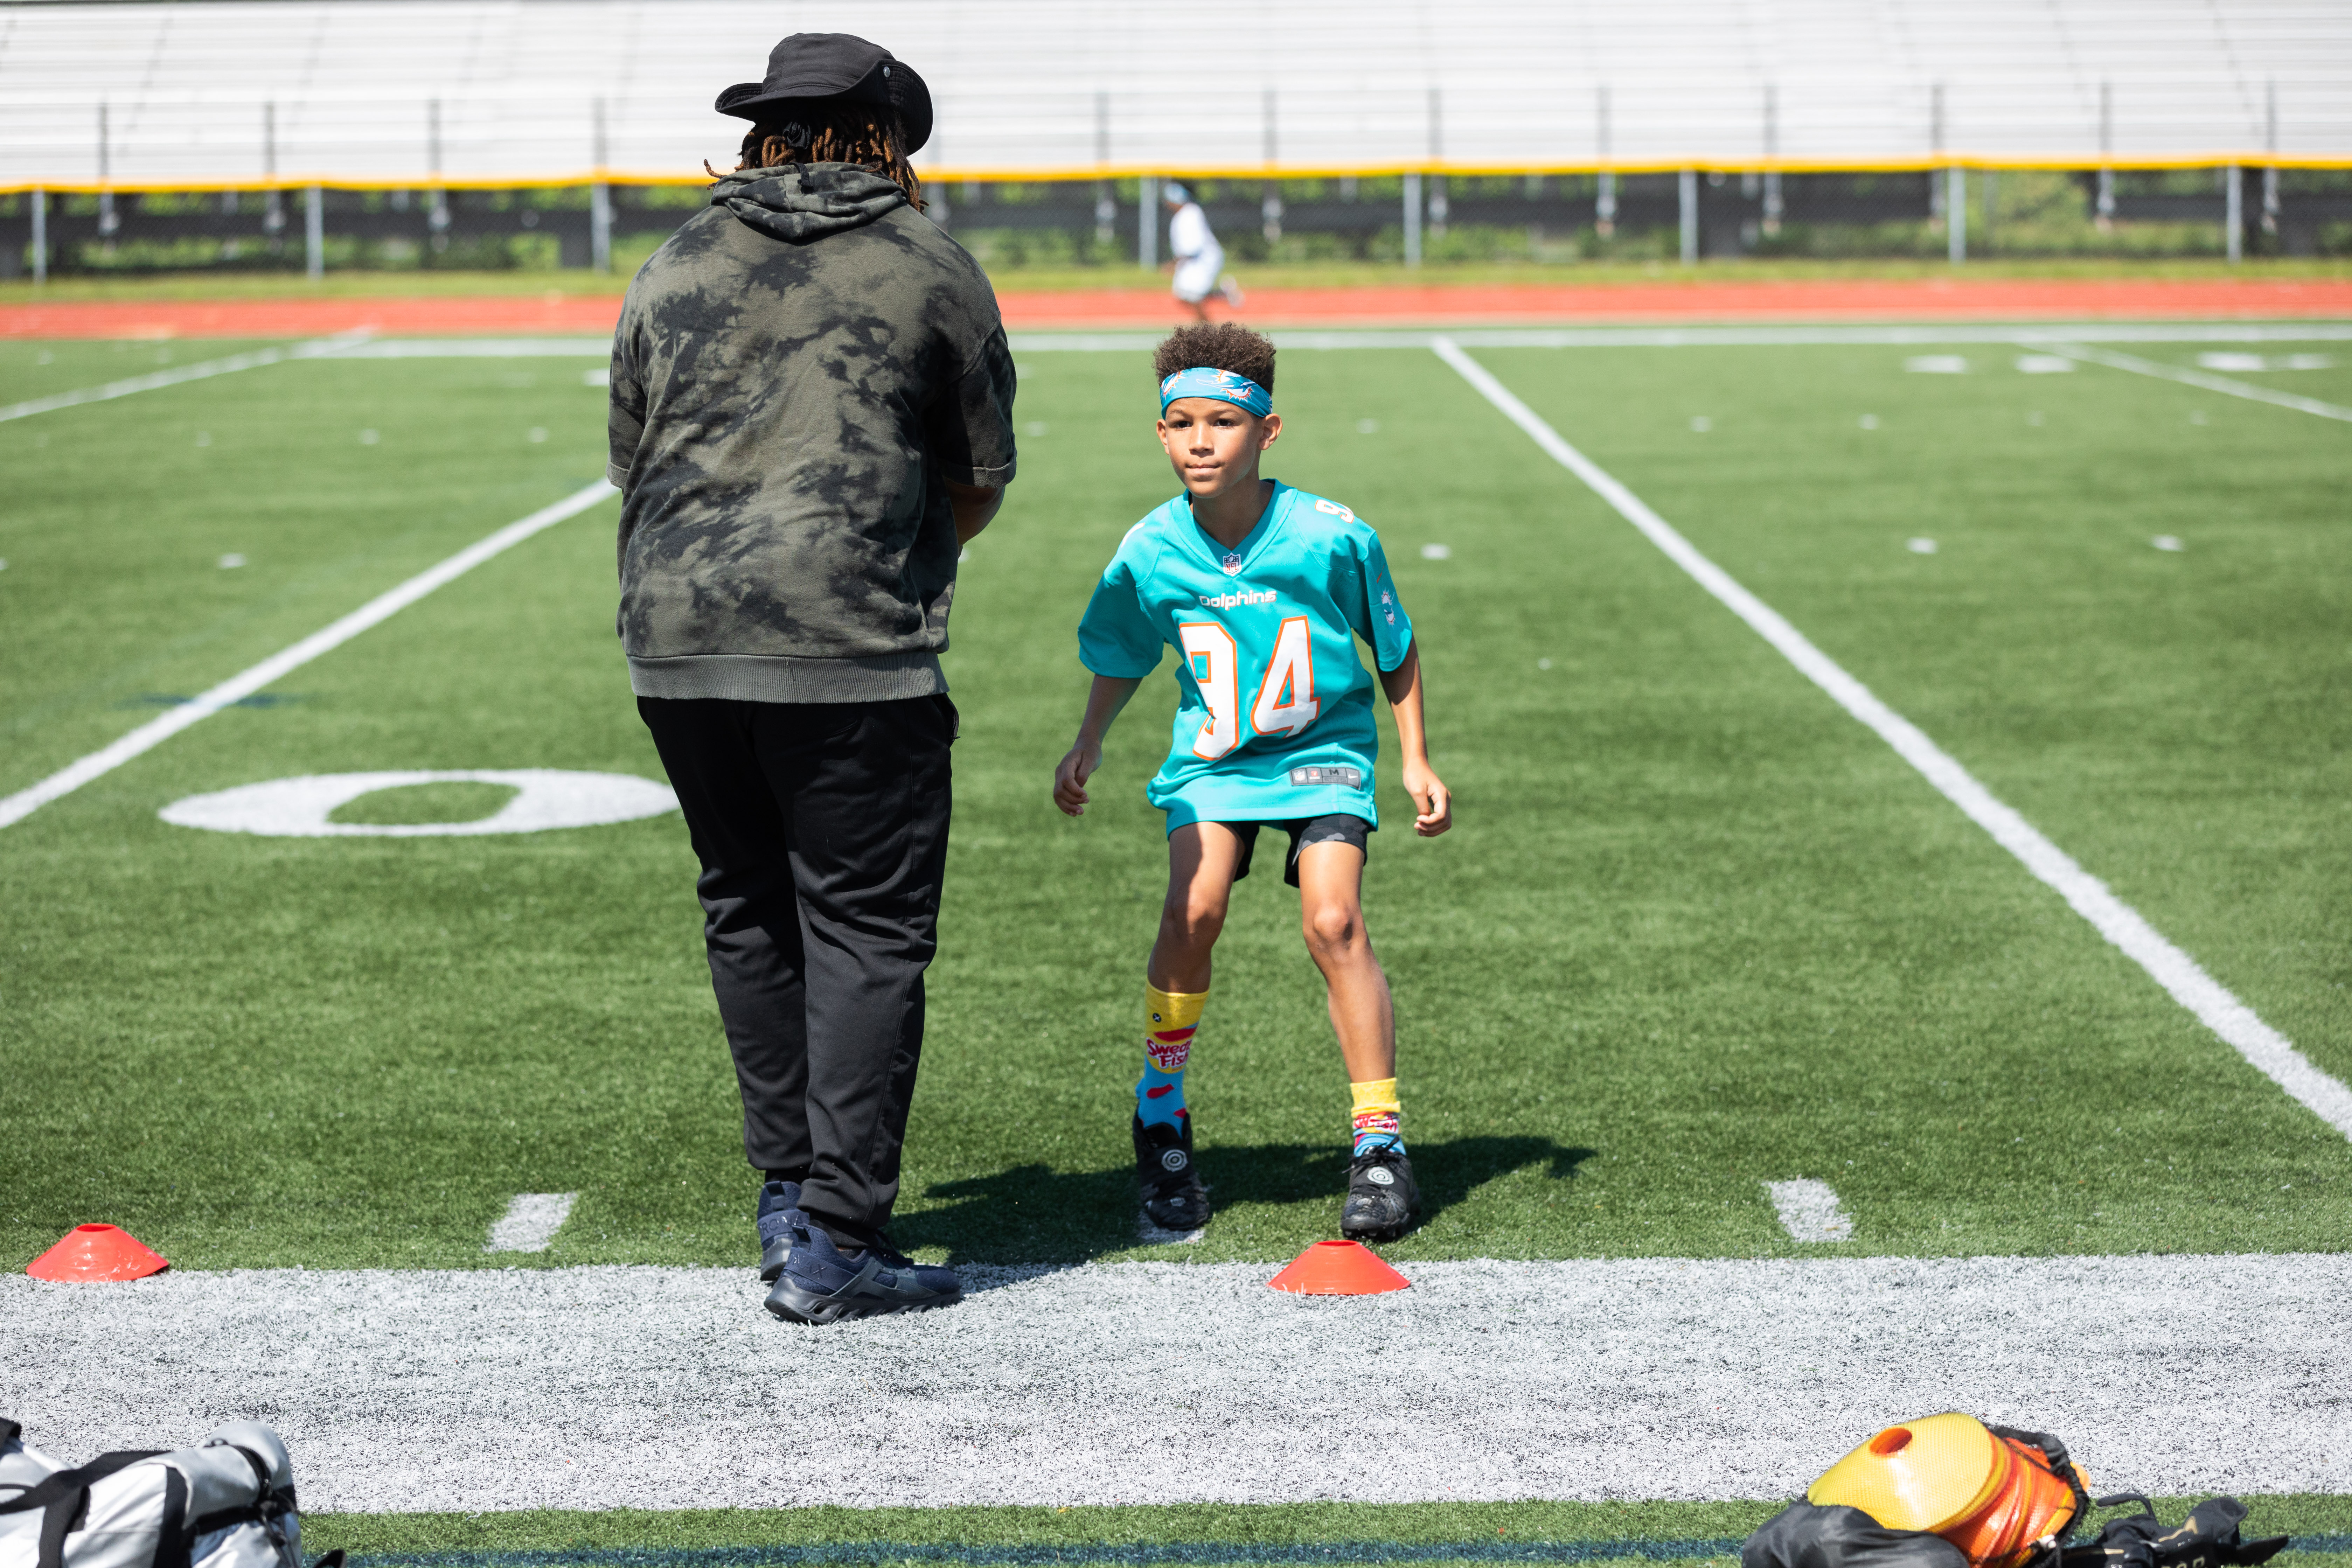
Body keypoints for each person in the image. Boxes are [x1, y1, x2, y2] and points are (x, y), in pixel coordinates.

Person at [606, 32, 1017, 1323]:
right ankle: (835, 1233)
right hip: (848, 647)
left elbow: (630, 456)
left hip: (673, 635)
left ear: (761, 133)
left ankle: (787, 1198)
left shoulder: (671, 258)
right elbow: (978, 476)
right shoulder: (927, 262)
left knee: (745, 906)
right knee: (865, 930)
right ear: (885, 136)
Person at [1051, 322, 1452, 1243]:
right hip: (1214, 763)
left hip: (1324, 753)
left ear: (1267, 431)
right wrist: (1088, 738)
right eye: (1180, 422)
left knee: (1333, 920)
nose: (1200, 440)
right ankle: (1159, 1113)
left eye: (1222, 423)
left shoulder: (1329, 534)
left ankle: (1379, 1141)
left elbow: (1391, 644)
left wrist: (1414, 755)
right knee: (1191, 913)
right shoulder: (1151, 547)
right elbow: (1121, 648)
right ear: (1158, 433)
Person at [1162, 183, 1245, 322]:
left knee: (1194, 297)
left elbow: (1192, 246)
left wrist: (1174, 263)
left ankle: (1208, 336)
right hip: (1192, 261)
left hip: (1203, 259)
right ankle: (1224, 294)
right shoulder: (1184, 214)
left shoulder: (1189, 215)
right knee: (1184, 296)